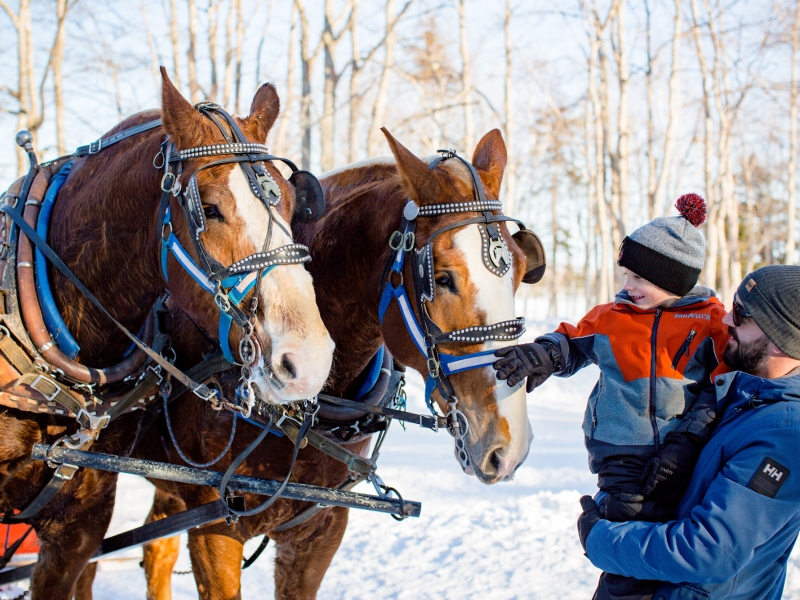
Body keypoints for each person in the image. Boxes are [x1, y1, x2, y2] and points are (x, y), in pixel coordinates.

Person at [494, 194, 730, 600]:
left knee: (675, 553)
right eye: (626, 274)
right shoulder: (612, 317)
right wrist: (542, 355)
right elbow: (569, 342)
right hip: (621, 456)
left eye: (640, 278)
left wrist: (690, 439)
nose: (628, 287)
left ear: (674, 279)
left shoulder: (709, 322)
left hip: (687, 457)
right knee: (626, 554)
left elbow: (724, 384)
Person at [577, 265, 800, 600]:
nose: (726, 321)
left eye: (741, 314)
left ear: (781, 338)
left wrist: (602, 539)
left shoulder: (785, 435)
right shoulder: (744, 397)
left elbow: (708, 551)